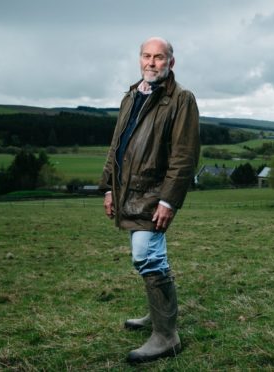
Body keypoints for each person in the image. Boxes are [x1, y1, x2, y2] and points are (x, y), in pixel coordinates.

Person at [99, 36, 200, 363]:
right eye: (146, 56)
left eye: (159, 57)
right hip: (128, 190)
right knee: (146, 255)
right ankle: (157, 317)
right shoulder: (132, 95)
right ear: (140, 59)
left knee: (148, 257)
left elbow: (184, 157)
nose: (152, 62)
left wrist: (169, 201)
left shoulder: (181, 99)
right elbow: (117, 144)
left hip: (155, 195)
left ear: (171, 62)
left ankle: (166, 336)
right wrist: (109, 187)